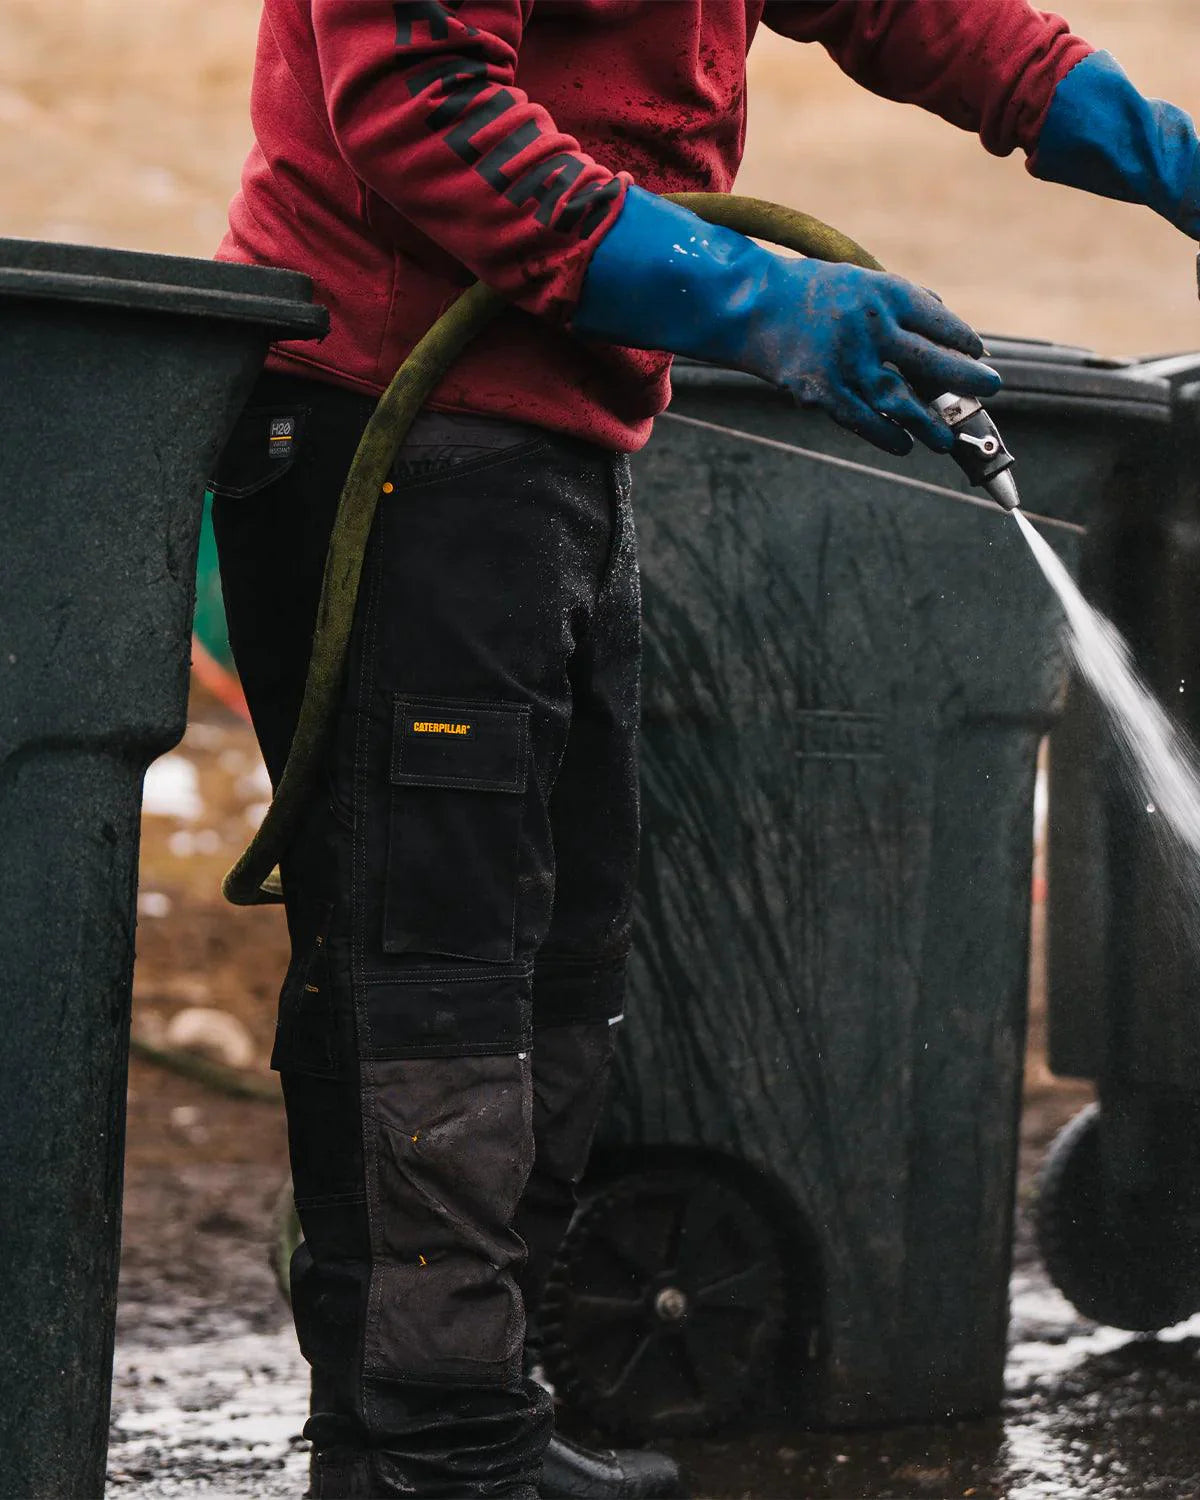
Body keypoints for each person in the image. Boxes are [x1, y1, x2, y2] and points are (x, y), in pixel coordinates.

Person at [210, 3, 1200, 1496]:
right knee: (439, 968)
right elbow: (421, 103)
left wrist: (1163, 153)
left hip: (551, 433)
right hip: (389, 417)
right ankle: (437, 1447)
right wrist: (760, 302)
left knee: (554, 956)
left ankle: (444, 1421)